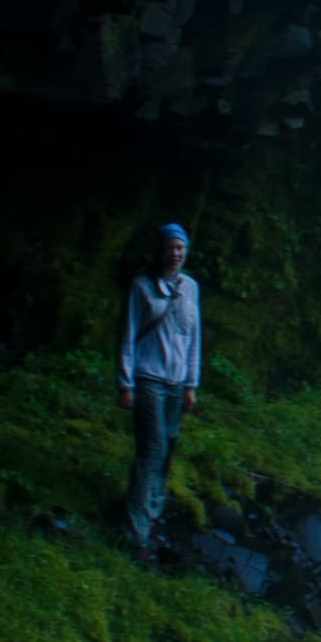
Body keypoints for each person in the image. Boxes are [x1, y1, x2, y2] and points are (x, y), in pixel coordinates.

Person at [119, 220, 203, 554]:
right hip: (148, 378)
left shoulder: (191, 288)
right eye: (170, 247)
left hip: (176, 382)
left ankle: (150, 516)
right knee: (152, 448)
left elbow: (194, 338)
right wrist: (125, 384)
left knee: (167, 448)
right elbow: (127, 336)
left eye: (180, 248)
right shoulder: (141, 286)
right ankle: (134, 529)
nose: (175, 254)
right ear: (160, 250)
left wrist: (191, 384)